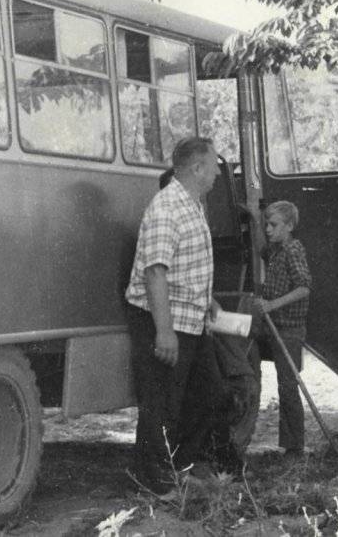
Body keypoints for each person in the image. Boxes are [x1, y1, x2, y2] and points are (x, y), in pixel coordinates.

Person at [126, 137, 222, 492]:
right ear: (197, 168)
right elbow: (155, 272)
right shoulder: (166, 207)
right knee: (161, 403)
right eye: (213, 165)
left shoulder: (193, 204)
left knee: (207, 393)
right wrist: (163, 332)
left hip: (191, 318)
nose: (216, 172)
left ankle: (185, 463)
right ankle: (155, 481)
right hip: (166, 321)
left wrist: (206, 299)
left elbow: (188, 264)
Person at [249, 201, 313, 457]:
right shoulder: (275, 250)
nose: (268, 229)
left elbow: (304, 287)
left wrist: (272, 304)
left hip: (289, 329)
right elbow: (259, 247)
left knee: (288, 386)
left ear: (289, 226)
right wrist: (255, 220)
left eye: (273, 225)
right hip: (273, 326)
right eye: (266, 225)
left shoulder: (293, 249)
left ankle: (294, 447)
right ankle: (288, 443)